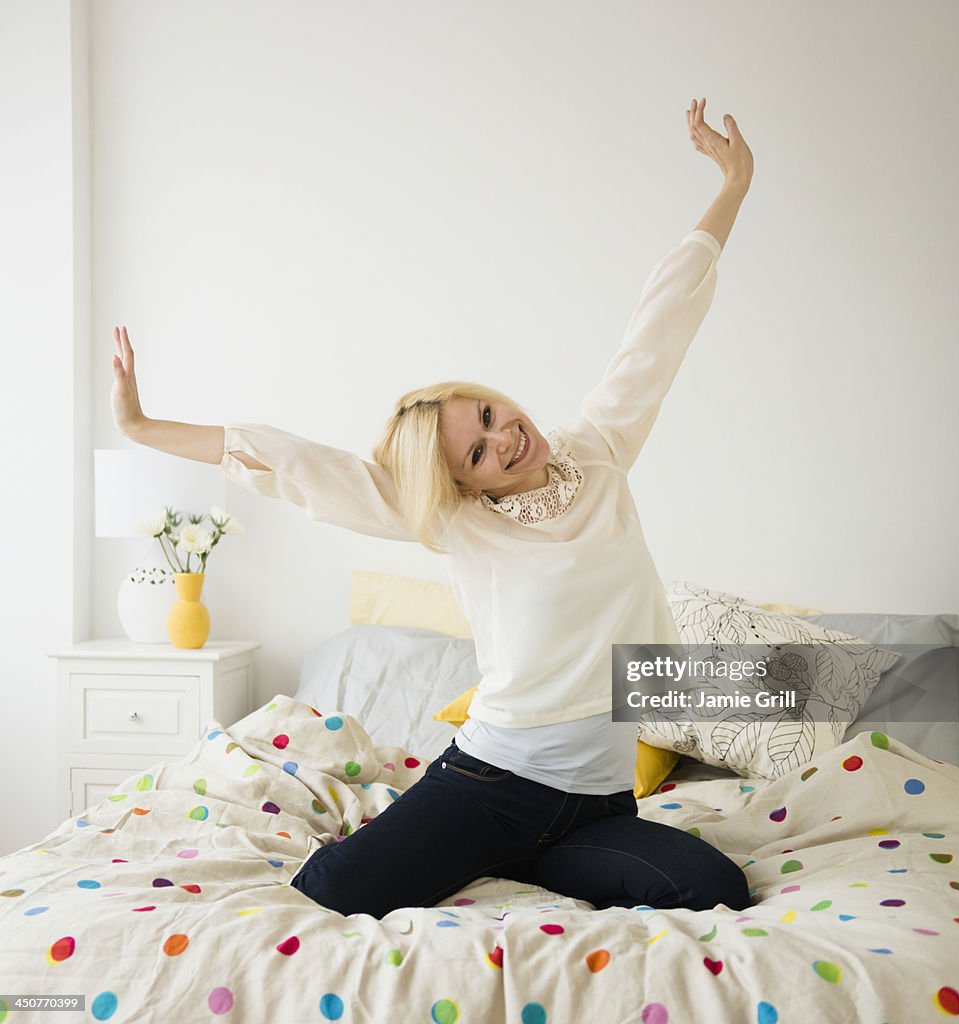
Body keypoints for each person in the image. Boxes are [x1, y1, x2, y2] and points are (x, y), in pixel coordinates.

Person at [111, 97, 755, 918]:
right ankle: (487, 844)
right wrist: (141, 425)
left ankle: (530, 860)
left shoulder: (599, 448)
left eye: (489, 416)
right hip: (492, 784)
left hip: (598, 803)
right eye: (477, 453)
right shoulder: (458, 522)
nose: (504, 439)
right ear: (465, 484)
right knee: (327, 897)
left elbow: (658, 325)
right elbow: (302, 464)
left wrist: (734, 183)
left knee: (713, 888)